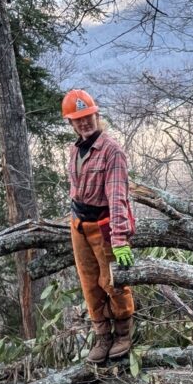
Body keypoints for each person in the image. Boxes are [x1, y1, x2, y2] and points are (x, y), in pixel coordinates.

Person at [61, 88, 137, 364]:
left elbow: (118, 198)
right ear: (71, 123)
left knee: (112, 281)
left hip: (104, 224)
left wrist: (119, 239)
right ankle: (102, 335)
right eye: (78, 119)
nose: (84, 122)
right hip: (79, 224)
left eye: (88, 117)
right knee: (89, 282)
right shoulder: (76, 150)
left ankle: (123, 332)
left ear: (96, 115)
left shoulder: (111, 151)